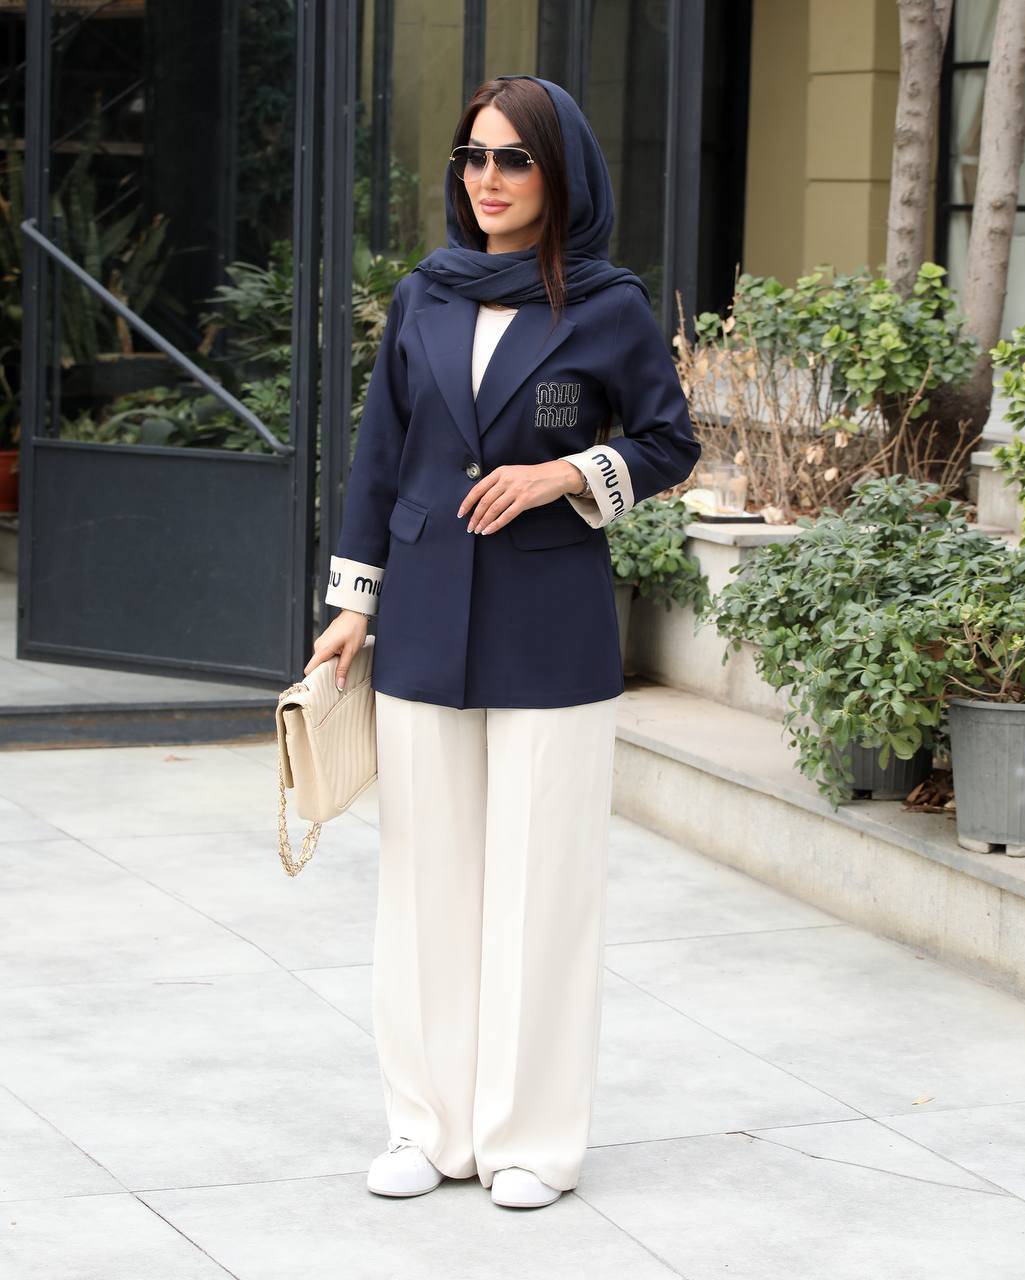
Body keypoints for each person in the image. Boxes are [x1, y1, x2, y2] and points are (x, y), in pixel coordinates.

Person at [305, 74, 700, 1210]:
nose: (488, 179)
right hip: (425, 618)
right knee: (424, 882)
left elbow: (669, 442)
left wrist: (565, 473)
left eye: (513, 159)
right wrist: (353, 605)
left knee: (541, 887)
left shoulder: (608, 305)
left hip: (550, 625)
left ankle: (530, 1140)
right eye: (473, 156)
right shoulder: (423, 294)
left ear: (559, 173)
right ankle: (425, 1127)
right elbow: (381, 456)